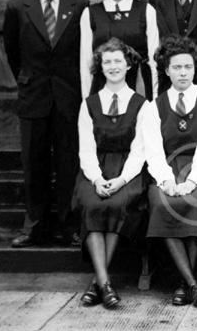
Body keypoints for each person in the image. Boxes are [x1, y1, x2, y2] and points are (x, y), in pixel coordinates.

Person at [3, 0, 89, 248]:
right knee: (34, 162)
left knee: (68, 163)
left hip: (68, 96)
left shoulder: (79, 6)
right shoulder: (17, 7)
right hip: (33, 96)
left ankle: (68, 224)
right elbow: (13, 53)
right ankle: (34, 224)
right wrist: (27, 81)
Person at [143, 35, 197, 307]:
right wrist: (166, 181)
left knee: (193, 202)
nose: (183, 73)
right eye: (177, 67)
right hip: (165, 169)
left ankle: (183, 282)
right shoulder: (154, 106)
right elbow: (153, 151)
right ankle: (191, 283)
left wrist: (191, 180)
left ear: (195, 68)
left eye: (188, 67)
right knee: (163, 203)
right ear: (166, 70)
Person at [72, 38, 149, 309]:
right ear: (100, 68)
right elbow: (86, 150)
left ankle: (97, 284)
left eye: (118, 61)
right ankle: (105, 284)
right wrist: (96, 179)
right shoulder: (89, 104)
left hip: (128, 171)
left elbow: (140, 151)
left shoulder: (142, 104)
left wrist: (120, 180)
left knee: (117, 203)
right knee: (93, 203)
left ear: (128, 65)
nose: (113, 66)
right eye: (107, 62)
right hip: (96, 170)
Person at [80, 0, 159, 100]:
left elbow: (154, 61)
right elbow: (86, 64)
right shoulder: (90, 13)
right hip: (103, 89)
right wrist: (87, 102)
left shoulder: (146, 10)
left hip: (139, 86)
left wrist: (154, 98)